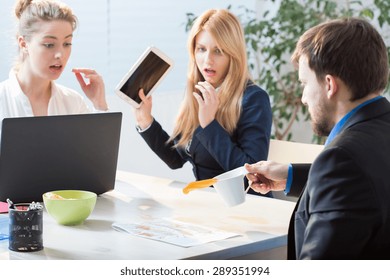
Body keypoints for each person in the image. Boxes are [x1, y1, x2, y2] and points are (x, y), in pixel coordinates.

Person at [245, 17, 390, 259]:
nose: (303, 98)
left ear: (329, 85)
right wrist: (290, 175)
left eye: (304, 83)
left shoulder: (343, 160)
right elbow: (369, 179)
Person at [133, 9, 272, 195]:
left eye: (218, 51)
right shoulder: (199, 94)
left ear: (233, 54)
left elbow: (252, 174)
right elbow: (175, 158)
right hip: (206, 206)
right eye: (201, 49)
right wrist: (145, 121)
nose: (208, 60)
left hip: (243, 209)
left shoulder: (254, 99)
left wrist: (209, 124)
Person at [0, 0, 108, 124]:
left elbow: (94, 144)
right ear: (24, 44)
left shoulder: (73, 103)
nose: (60, 54)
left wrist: (99, 104)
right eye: (49, 45)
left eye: (67, 44)